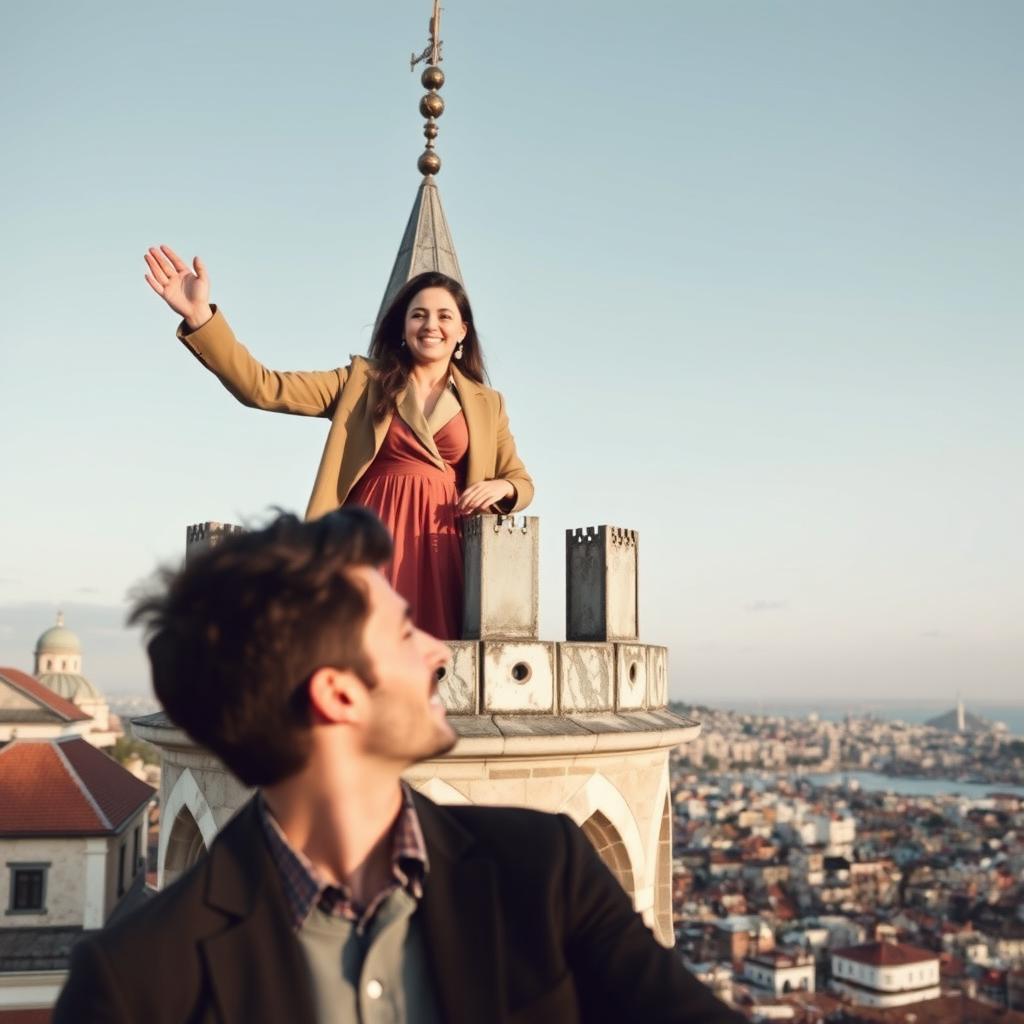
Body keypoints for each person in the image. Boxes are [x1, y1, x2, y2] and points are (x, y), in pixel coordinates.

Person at [54, 509, 742, 1024]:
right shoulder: (135, 985)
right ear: (337, 692)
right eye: (404, 630)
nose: (440, 651)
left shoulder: (545, 876)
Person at [143, 244, 533, 638]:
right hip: (367, 541)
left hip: (444, 546)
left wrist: (502, 486)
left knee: (439, 665)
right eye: (418, 315)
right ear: (403, 327)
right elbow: (261, 387)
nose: (431, 325)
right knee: (359, 651)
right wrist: (200, 317)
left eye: (444, 316)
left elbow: (521, 482)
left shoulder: (487, 403)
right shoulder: (361, 382)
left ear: (462, 330)